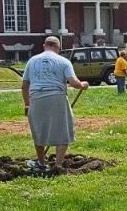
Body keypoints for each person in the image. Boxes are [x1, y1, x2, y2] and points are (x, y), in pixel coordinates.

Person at [22, 36, 89, 170]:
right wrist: (83, 84)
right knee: (63, 132)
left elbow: (24, 86)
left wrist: (27, 105)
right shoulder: (63, 61)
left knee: (38, 132)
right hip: (57, 98)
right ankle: (57, 166)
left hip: (37, 98)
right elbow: (74, 82)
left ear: (44, 45)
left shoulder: (32, 61)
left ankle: (41, 163)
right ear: (58, 48)